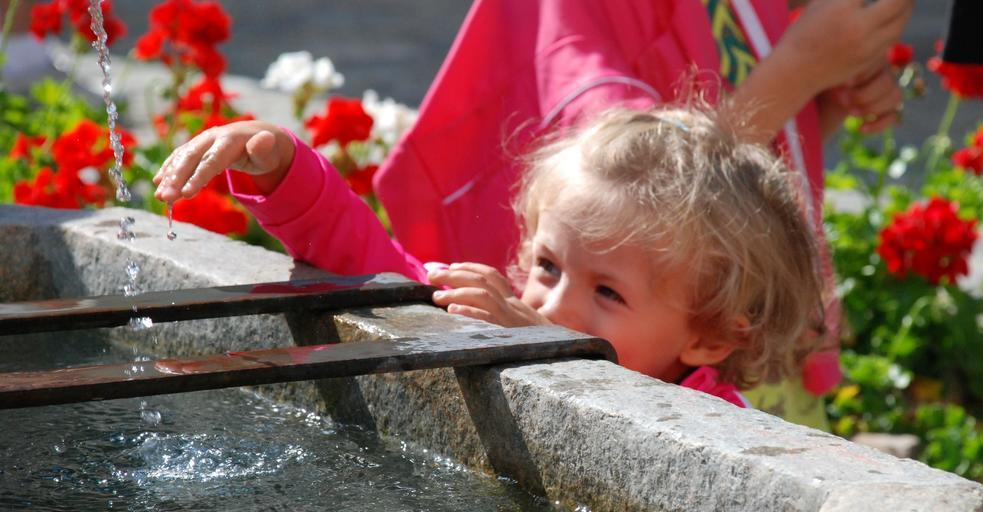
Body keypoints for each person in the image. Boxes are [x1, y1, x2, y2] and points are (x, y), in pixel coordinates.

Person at [371, 0, 914, 428]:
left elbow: (732, 202)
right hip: (661, 355)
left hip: (732, 338)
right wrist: (800, 67)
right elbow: (643, 187)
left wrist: (823, 99)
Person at [153, 105, 825, 408]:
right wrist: (279, 166)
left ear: (708, 333)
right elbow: (374, 267)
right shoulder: (491, 311)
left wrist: (550, 350)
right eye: (548, 266)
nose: (551, 305)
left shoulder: (717, 419)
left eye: (608, 293)